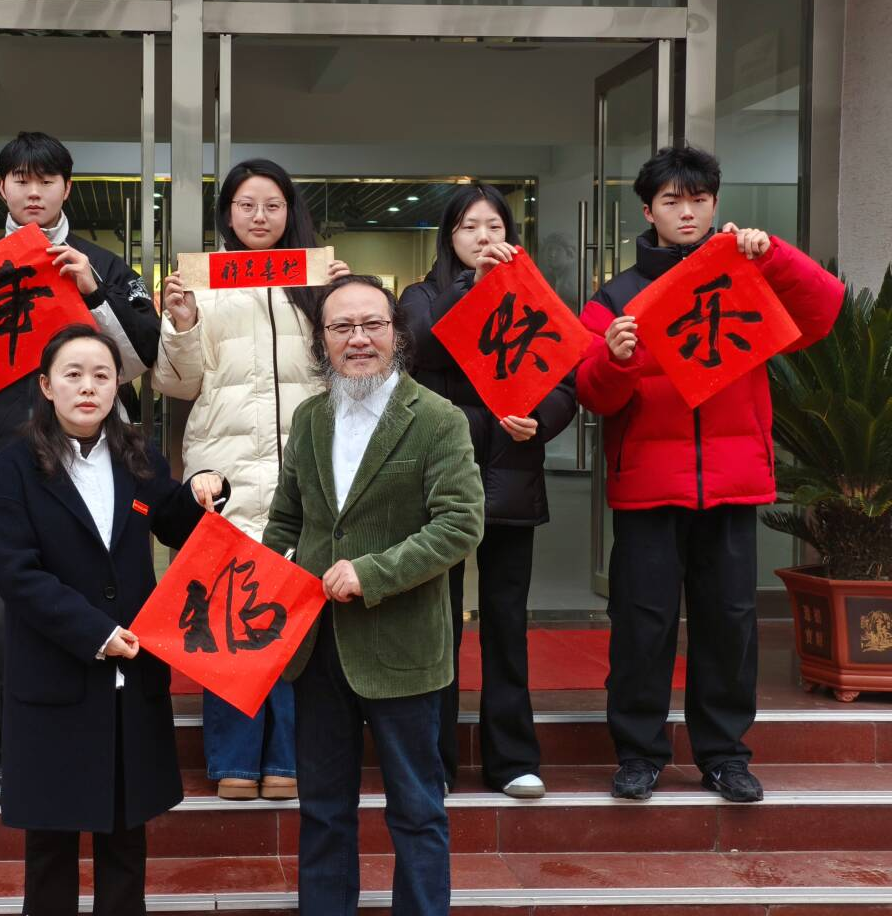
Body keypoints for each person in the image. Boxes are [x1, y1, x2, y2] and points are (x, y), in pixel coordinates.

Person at [576, 145, 844, 803]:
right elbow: (592, 394)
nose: (687, 212)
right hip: (648, 487)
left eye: (698, 199)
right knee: (642, 625)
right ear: (648, 211)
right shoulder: (615, 297)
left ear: (715, 203)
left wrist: (773, 254)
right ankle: (638, 754)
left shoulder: (747, 274)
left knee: (729, 623)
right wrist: (615, 360)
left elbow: (823, 313)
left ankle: (724, 755)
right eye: (672, 200)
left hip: (730, 482)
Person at [0, 131, 160, 805]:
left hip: (96, 462)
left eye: (46, 179)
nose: (34, 191)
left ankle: (110, 744)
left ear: (67, 188)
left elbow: (139, 363)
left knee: (105, 601)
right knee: (5, 612)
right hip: (1, 466)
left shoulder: (104, 264)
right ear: (2, 189)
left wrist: (94, 293)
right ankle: (7, 758)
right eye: (21, 179)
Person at [0, 324, 227, 916]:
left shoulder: (136, 456)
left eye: (101, 375)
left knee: (125, 838)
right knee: (51, 843)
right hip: (55, 674)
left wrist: (203, 490)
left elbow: (174, 521)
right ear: (46, 386)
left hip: (131, 677)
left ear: (118, 385)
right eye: (72, 374)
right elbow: (16, 574)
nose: (88, 387)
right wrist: (95, 632)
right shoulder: (14, 468)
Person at [262, 274, 485, 916]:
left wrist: (373, 572)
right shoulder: (309, 418)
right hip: (318, 649)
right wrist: (268, 580)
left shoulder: (437, 418)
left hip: (402, 646)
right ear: (321, 340)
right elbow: (286, 521)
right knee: (322, 810)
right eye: (341, 327)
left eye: (372, 325)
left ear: (396, 334)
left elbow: (460, 523)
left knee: (417, 809)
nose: (358, 339)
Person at [153, 157, 349, 800]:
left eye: (272, 204)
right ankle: (234, 761)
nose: (259, 216)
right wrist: (182, 324)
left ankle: (286, 760)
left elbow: (351, 373)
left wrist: (344, 303)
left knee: (294, 613)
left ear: (290, 212)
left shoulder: (317, 282)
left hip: (304, 470)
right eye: (246, 205)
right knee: (228, 611)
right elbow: (176, 384)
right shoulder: (203, 286)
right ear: (228, 214)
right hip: (227, 472)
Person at [400, 184, 576, 799]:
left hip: (511, 472)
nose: (483, 237)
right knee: (436, 624)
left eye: (495, 227)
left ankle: (513, 759)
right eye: (470, 227)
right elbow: (419, 347)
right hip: (438, 478)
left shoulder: (535, 297)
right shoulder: (421, 295)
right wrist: (472, 288)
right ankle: (434, 760)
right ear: (449, 237)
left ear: (511, 235)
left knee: (506, 623)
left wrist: (542, 420)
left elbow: (565, 379)